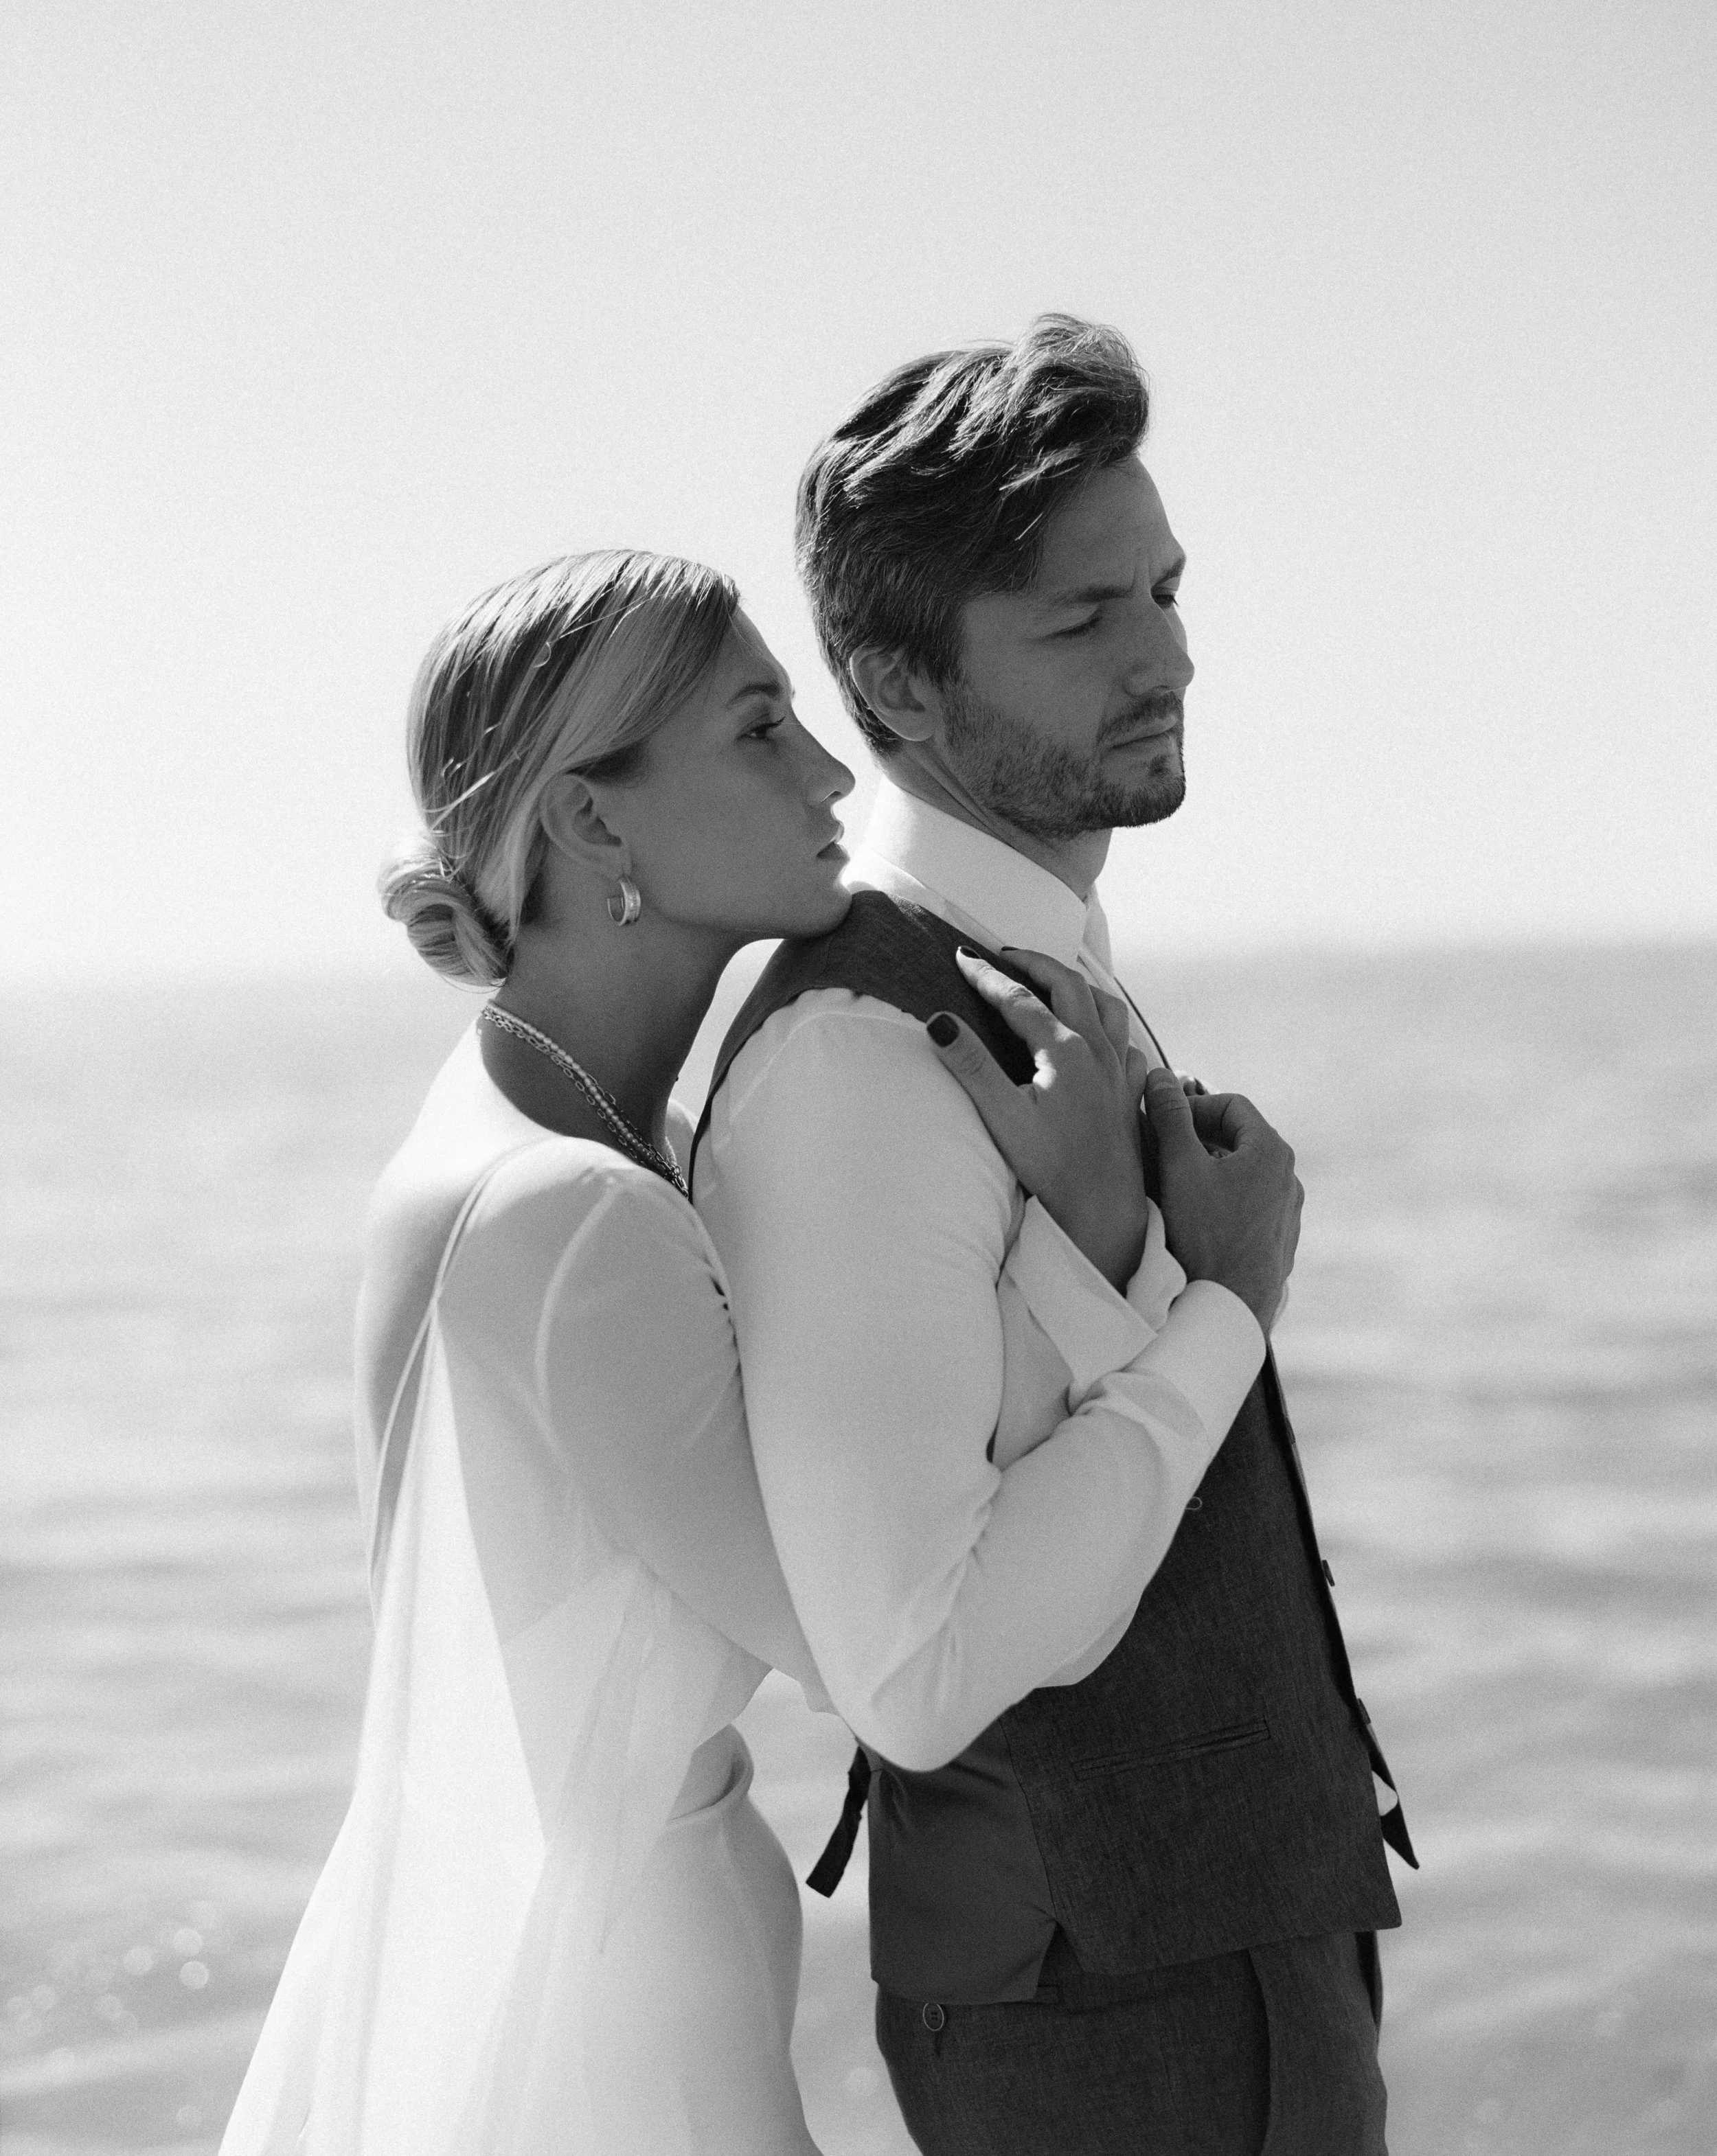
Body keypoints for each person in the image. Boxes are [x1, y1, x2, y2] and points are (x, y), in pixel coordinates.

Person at [216, 546, 1299, 2155]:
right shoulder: (574, 1219)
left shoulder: (517, 1131)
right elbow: (908, 1660)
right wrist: (1175, 1283)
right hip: (611, 2031)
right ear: (594, 823)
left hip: (550, 1939)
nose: (824, 770)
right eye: (754, 730)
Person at [693, 317, 1419, 2155]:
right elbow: (916, 1668)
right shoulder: (859, 1058)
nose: (1169, 651)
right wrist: (1228, 1298)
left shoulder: (1050, 978)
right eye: (1081, 620)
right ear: (900, 681)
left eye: (1163, 590)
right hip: (1105, 2026)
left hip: (1242, 1949)